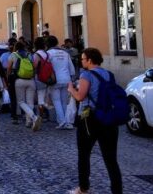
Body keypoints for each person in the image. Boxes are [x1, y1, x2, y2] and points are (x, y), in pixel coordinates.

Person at [67, 48, 123, 194]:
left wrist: (71, 89)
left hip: (89, 118)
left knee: (84, 155)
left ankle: (83, 188)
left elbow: (80, 96)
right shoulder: (109, 74)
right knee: (111, 159)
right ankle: (117, 191)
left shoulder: (86, 74)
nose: (82, 61)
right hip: (108, 118)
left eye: (83, 59)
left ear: (90, 60)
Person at [8, 41, 40, 130]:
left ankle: (34, 117)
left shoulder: (13, 55)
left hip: (19, 80)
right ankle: (28, 121)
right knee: (30, 102)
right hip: (31, 80)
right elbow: (34, 66)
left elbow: (9, 68)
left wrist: (8, 77)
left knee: (21, 101)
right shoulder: (29, 55)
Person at [47, 36, 75, 129]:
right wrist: (72, 78)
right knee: (64, 101)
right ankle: (67, 122)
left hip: (55, 80)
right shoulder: (65, 52)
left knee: (56, 101)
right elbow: (71, 67)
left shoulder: (49, 53)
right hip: (66, 79)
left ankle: (62, 121)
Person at [32, 37, 50, 121]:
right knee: (44, 95)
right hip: (47, 76)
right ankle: (45, 113)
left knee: (40, 97)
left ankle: (42, 115)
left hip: (39, 77)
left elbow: (34, 66)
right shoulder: (47, 53)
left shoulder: (36, 54)